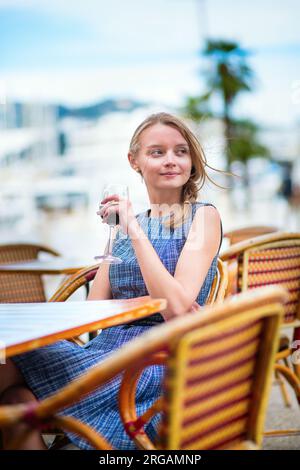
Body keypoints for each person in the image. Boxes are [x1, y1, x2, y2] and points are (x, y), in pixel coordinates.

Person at [0, 112, 222, 450]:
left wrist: (133, 230)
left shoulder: (202, 217)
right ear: (134, 161)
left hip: (156, 362)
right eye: (157, 152)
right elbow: (93, 312)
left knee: (9, 368)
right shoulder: (125, 226)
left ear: (191, 161)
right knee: (13, 398)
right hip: (104, 353)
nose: (171, 160)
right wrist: (124, 230)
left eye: (180, 151)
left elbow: (176, 311)